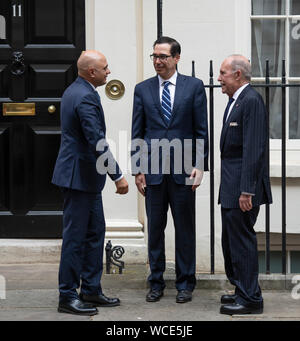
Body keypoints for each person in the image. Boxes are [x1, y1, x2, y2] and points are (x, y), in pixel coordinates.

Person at [131, 36, 209, 304]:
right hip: (152, 171)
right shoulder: (142, 89)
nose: (157, 61)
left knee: (185, 229)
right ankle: (156, 282)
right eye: (154, 56)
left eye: (163, 56)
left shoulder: (194, 87)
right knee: (155, 230)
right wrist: (137, 169)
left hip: (183, 170)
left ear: (176, 58)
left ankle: (185, 283)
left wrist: (200, 166)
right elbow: (137, 132)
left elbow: (201, 131)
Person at [52, 50, 129, 316]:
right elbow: (96, 140)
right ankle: (67, 295)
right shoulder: (84, 96)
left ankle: (91, 289)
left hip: (86, 178)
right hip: (78, 179)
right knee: (75, 238)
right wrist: (117, 176)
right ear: (91, 72)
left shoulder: (78, 89)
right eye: (105, 68)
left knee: (95, 234)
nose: (109, 72)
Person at [217, 55, 272, 315]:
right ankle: (242, 289)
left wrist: (247, 190)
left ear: (238, 75)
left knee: (241, 243)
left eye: (223, 74)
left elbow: (254, 148)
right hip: (231, 185)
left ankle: (251, 299)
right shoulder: (236, 100)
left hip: (242, 188)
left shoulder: (251, 101)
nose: (219, 79)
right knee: (230, 243)